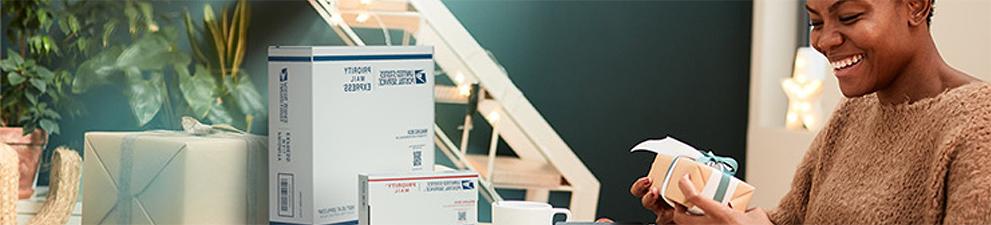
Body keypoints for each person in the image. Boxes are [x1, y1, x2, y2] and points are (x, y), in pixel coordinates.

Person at [619, 0, 991, 224]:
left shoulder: (977, 125)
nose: (824, 40)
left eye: (848, 17)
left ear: (916, 5)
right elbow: (788, 221)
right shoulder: (851, 115)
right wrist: (701, 213)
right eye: (815, 22)